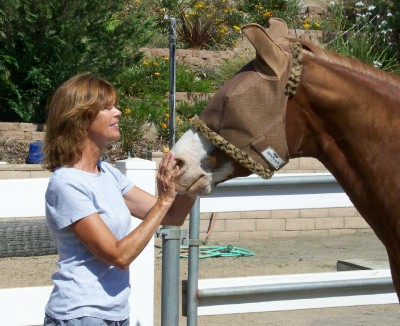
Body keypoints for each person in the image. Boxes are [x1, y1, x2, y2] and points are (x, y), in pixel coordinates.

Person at [42, 73, 195, 325]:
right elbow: (118, 256)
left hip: (115, 314)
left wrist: (198, 178)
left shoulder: (108, 173)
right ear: (80, 118)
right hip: (80, 314)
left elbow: (172, 217)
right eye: (107, 107)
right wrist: (164, 200)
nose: (119, 112)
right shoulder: (67, 184)